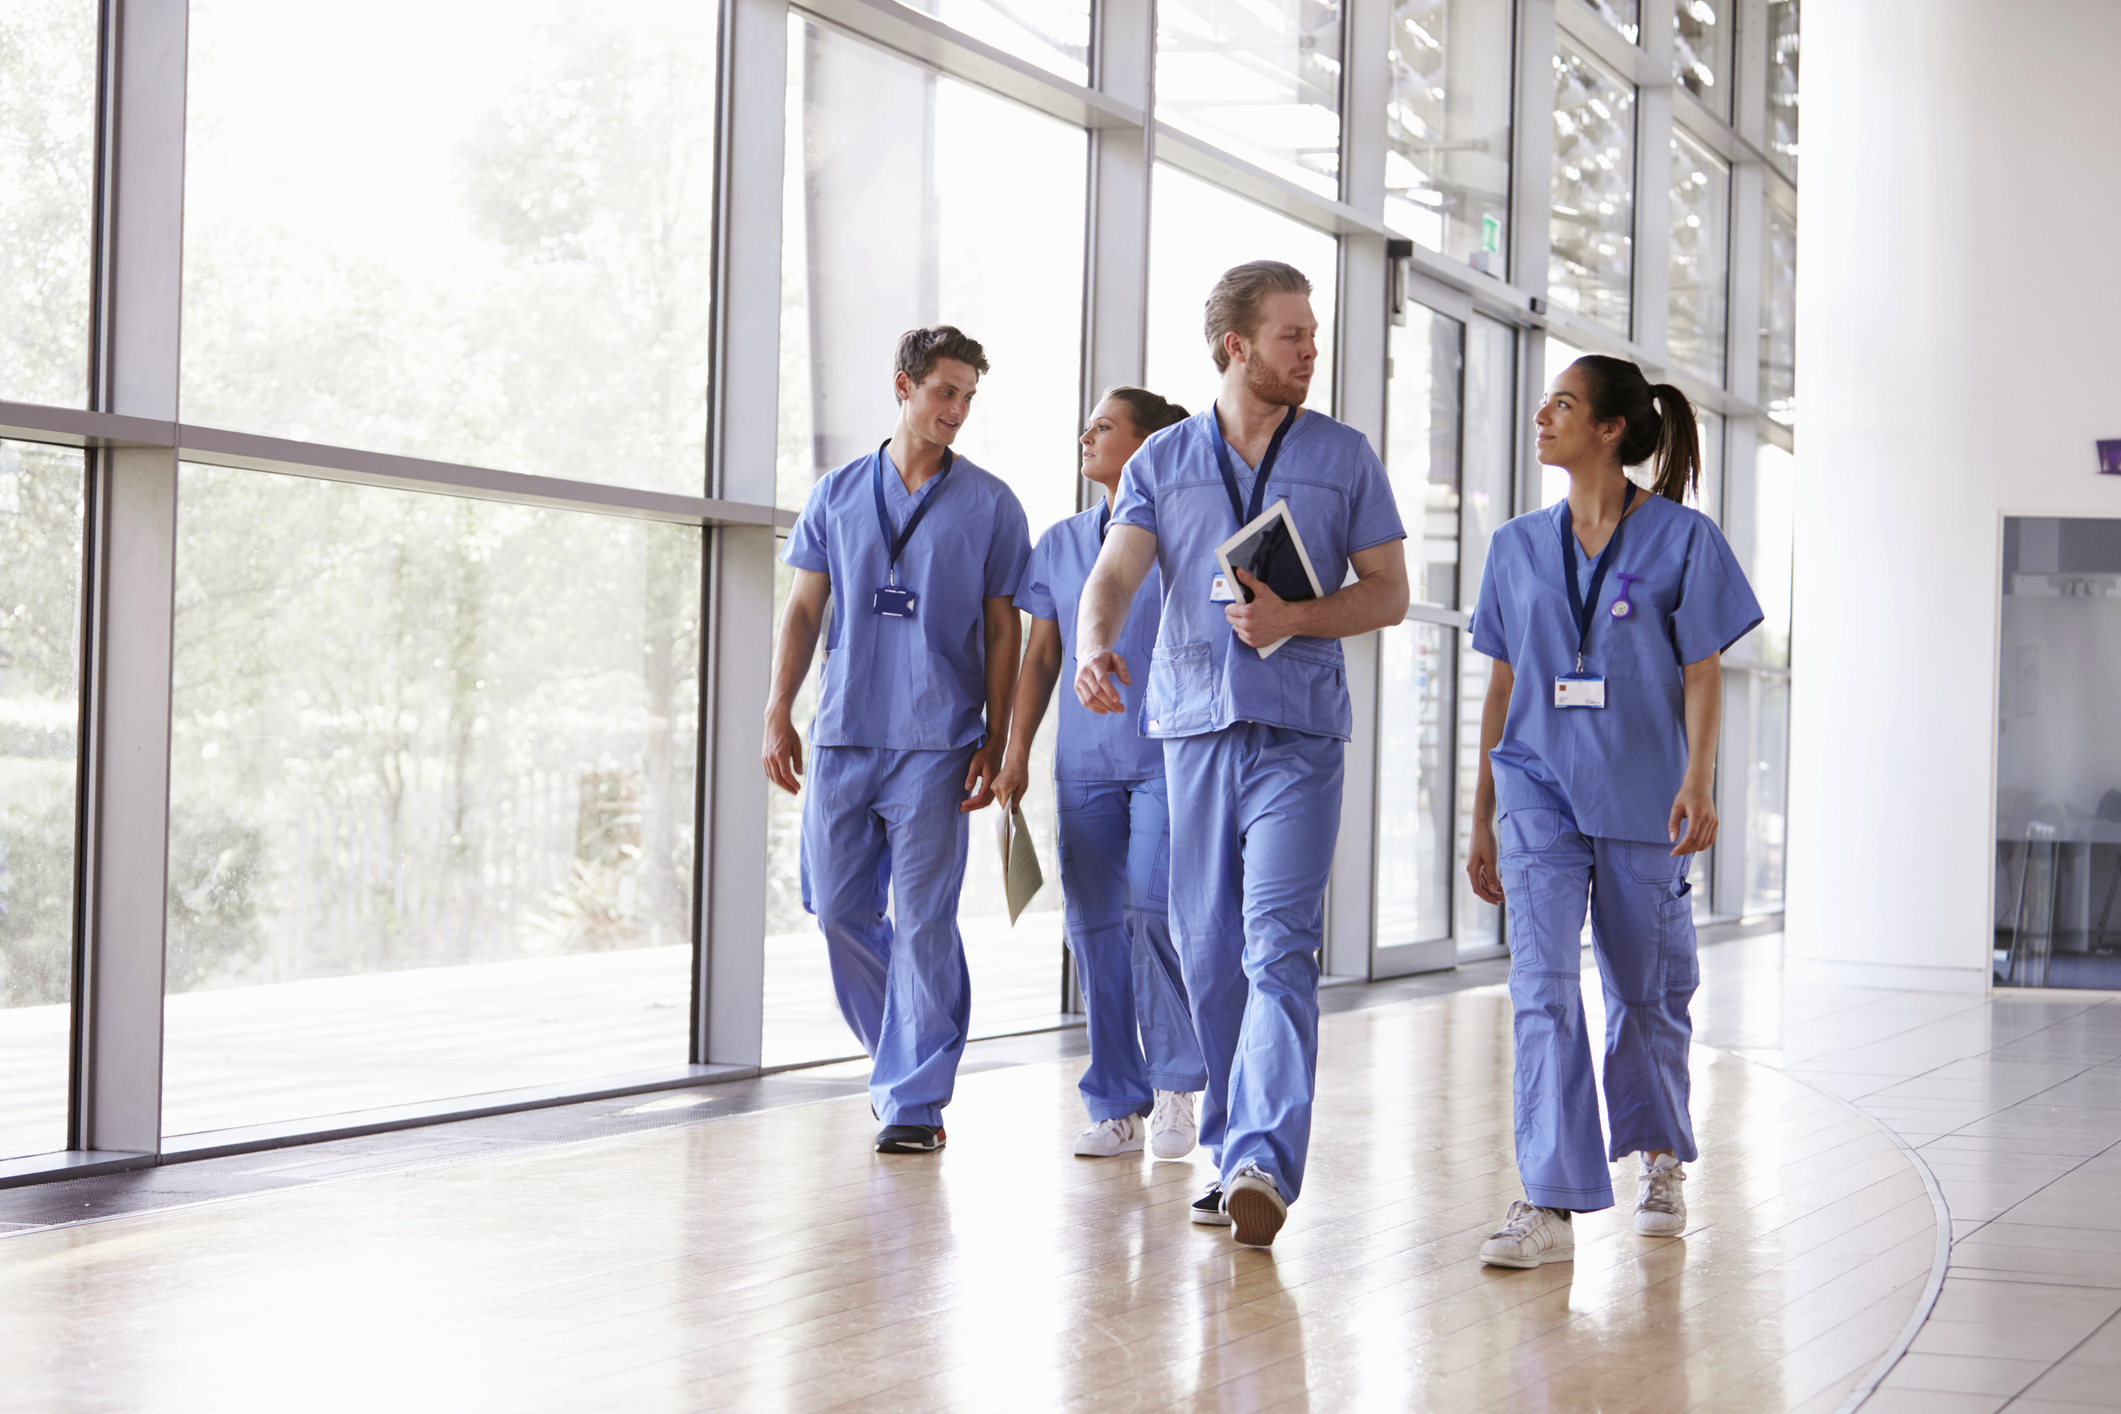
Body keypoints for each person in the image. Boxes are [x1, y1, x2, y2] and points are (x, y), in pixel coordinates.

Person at [1074, 262, 1409, 1246]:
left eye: (1312, 334)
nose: (1312, 350)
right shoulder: (1163, 461)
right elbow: (1114, 574)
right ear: (1237, 347)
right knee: (1211, 952)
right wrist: (1097, 644)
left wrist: (1297, 616)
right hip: (1192, 731)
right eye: (1292, 336)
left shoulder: (1344, 457)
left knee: (1277, 944)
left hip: (1300, 733)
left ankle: (1263, 1152)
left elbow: (1387, 590)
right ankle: (1230, 1150)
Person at [1465, 354, 1762, 1268]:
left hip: (1642, 792)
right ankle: (1548, 1201)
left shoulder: (1684, 539)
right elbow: (1503, 679)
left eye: (1563, 403)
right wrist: (1480, 813)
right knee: (1542, 990)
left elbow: (1704, 669)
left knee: (1645, 992)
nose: (1542, 414)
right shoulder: (1516, 545)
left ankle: (1660, 1154)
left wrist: (1698, 780)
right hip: (1536, 791)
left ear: (1609, 431)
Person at [763, 326, 1031, 1156]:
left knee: (922, 923)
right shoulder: (838, 493)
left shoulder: (990, 503)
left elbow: (1001, 631)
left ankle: (914, 1098)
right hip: (844, 734)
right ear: (903, 387)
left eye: (967, 397)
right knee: (838, 910)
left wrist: (997, 733)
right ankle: (898, 1057)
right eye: (944, 391)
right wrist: (778, 708)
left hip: (938, 740)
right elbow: (806, 609)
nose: (956, 410)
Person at [994, 387, 1207, 1162]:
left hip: (1167, 756)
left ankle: (1179, 1084)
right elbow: (1041, 656)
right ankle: (1118, 1100)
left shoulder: (1184, 537)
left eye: (1105, 426)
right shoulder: (1059, 542)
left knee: (1151, 912)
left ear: (1151, 445)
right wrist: (1015, 754)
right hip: (1082, 766)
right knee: (1092, 932)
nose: (1086, 434)